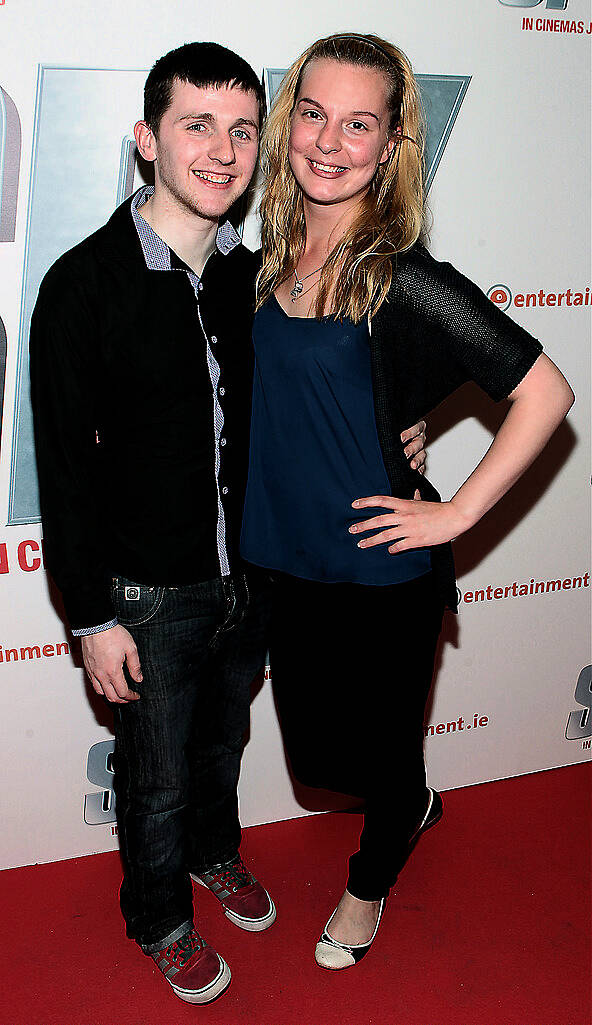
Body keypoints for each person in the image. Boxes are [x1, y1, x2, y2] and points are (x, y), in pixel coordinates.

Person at [29, 40, 428, 1004]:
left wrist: (398, 425)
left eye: (243, 129)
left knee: (220, 750)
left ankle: (215, 853)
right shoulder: (84, 286)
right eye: (195, 125)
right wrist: (92, 617)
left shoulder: (257, 282)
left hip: (254, 579)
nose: (222, 149)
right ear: (146, 143)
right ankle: (158, 915)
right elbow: (66, 472)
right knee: (155, 774)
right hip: (147, 593)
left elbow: (321, 391)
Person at [240, 32, 574, 971]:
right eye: (313, 114)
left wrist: (457, 513)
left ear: (391, 145)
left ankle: (368, 884)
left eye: (359, 123)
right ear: (287, 123)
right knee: (325, 756)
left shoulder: (403, 274)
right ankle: (409, 799)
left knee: (383, 754)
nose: (329, 141)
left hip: (382, 567)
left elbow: (545, 390)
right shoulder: (269, 254)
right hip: (285, 558)